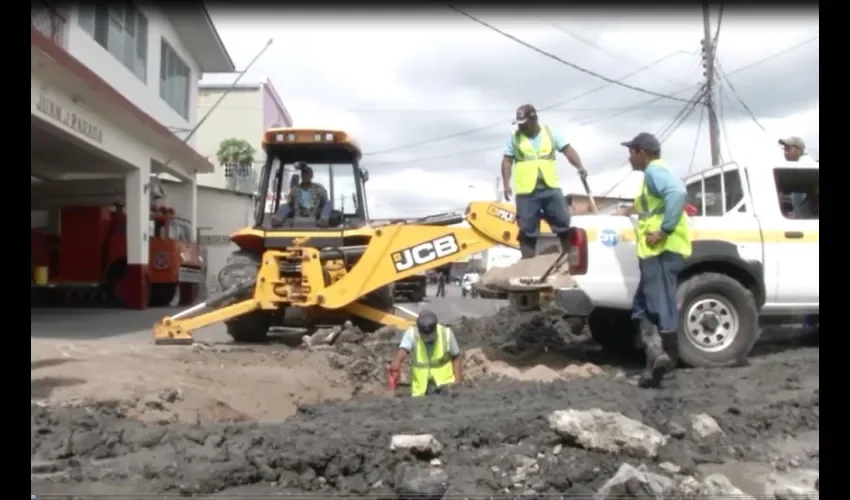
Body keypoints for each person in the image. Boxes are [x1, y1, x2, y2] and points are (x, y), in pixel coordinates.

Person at [621, 132, 692, 388]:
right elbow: (645, 206)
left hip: (661, 249)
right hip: (658, 251)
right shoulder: (651, 177)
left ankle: (665, 362)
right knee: (644, 306)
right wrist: (624, 212)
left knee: (658, 306)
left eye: (631, 152)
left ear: (642, 152)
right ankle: (655, 362)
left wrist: (664, 230)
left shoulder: (655, 171)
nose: (629, 157)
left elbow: (677, 194)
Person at [502, 104, 588, 259]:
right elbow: (507, 161)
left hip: (550, 187)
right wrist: (506, 184)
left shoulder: (550, 133)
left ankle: (567, 259)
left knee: (563, 222)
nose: (520, 127)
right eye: (519, 124)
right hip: (526, 190)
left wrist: (580, 166)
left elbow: (568, 150)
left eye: (523, 123)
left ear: (533, 119)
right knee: (527, 229)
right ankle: (528, 263)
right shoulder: (514, 138)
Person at [388, 309, 463, 397]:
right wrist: (397, 362)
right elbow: (404, 350)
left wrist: (457, 382)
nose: (428, 339)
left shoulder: (446, 334)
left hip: (445, 387)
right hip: (420, 390)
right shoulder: (412, 333)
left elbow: (456, 357)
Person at [271, 162, 331, 226]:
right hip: (298, 212)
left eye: (307, 173)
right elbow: (289, 203)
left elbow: (325, 201)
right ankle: (278, 218)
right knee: (286, 205)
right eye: (303, 173)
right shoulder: (295, 189)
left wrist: (323, 213)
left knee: (328, 203)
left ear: (311, 175)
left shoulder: (318, 188)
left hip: (314, 213)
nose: (304, 175)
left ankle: (324, 218)